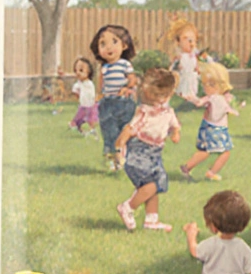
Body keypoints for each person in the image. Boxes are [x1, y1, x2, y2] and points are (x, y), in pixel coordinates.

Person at [114, 68, 181, 233]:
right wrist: (119, 147)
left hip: (155, 153)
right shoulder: (144, 112)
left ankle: (152, 219)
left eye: (163, 96)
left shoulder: (168, 111)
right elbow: (128, 130)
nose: (160, 100)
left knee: (155, 186)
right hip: (140, 152)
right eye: (156, 96)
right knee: (151, 185)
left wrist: (175, 134)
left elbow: (174, 125)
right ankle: (127, 207)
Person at [180, 61, 239, 182]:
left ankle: (191, 168)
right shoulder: (211, 98)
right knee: (213, 152)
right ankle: (207, 171)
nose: (207, 87)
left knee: (211, 151)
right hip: (213, 129)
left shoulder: (223, 97)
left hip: (217, 128)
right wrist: (191, 98)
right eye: (205, 84)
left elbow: (228, 106)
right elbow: (199, 102)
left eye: (211, 84)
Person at [92, 24, 139, 172]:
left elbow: (132, 80)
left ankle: (128, 160)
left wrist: (127, 88)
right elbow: (101, 83)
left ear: (124, 45)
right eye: (103, 44)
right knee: (109, 132)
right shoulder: (104, 68)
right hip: (107, 104)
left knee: (125, 131)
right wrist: (99, 95)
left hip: (124, 103)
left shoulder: (125, 64)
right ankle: (111, 162)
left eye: (114, 42)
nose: (108, 47)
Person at [67, 56, 99, 136]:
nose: (78, 73)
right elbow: (75, 92)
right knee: (79, 118)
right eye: (76, 70)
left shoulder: (89, 83)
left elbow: (92, 94)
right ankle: (77, 127)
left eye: (81, 70)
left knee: (91, 118)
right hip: (83, 105)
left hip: (91, 105)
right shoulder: (78, 84)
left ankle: (92, 129)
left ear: (89, 72)